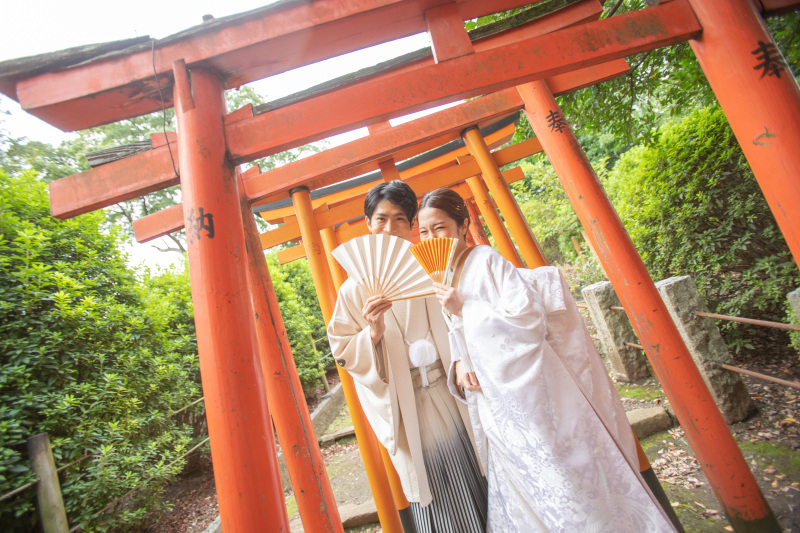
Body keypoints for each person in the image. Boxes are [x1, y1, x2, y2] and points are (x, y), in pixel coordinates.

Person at [417, 187, 677, 532]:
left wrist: (466, 309)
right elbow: (457, 334)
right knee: (518, 471)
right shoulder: (443, 274)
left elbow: (528, 318)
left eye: (440, 228)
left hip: (530, 391)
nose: (431, 237)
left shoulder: (487, 260)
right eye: (423, 231)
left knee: (557, 467)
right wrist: (460, 363)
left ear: (462, 225)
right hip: (492, 395)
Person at [326, 181, 488, 533]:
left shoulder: (429, 266)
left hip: (449, 389)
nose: (389, 227)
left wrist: (462, 359)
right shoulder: (353, 289)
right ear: (368, 223)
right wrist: (373, 332)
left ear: (412, 225)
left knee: (478, 467)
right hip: (405, 403)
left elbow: (457, 320)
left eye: (400, 218)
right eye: (381, 218)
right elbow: (341, 348)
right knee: (433, 485)